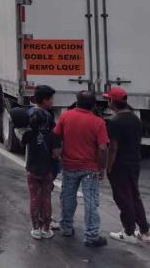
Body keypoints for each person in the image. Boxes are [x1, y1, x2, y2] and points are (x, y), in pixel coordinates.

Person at [54, 91, 109, 247]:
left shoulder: (65, 116)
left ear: (77, 102)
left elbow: (56, 136)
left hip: (69, 165)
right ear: (93, 105)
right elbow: (103, 148)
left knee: (68, 196)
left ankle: (66, 227)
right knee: (90, 201)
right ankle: (91, 235)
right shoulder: (98, 122)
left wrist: (58, 155)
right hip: (90, 168)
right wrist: (102, 167)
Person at [104, 87, 150, 244]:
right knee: (134, 196)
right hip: (134, 162)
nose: (107, 102)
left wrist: (108, 166)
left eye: (108, 99)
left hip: (120, 164)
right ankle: (144, 231)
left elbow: (113, 147)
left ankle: (129, 232)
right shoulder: (135, 118)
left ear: (112, 102)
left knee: (123, 198)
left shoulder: (115, 121)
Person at [22, 108, 60, 240]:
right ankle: (46, 229)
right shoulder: (53, 136)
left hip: (32, 171)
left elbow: (23, 143)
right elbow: (56, 154)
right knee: (46, 199)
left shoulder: (28, 134)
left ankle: (35, 229)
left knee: (34, 199)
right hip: (47, 171)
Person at [30, 84, 60, 231]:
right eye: (51, 99)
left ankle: (37, 225)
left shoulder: (30, 112)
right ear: (44, 100)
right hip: (47, 162)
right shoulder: (46, 116)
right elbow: (54, 138)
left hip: (32, 161)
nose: (53, 101)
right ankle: (46, 222)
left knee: (35, 195)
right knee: (46, 193)